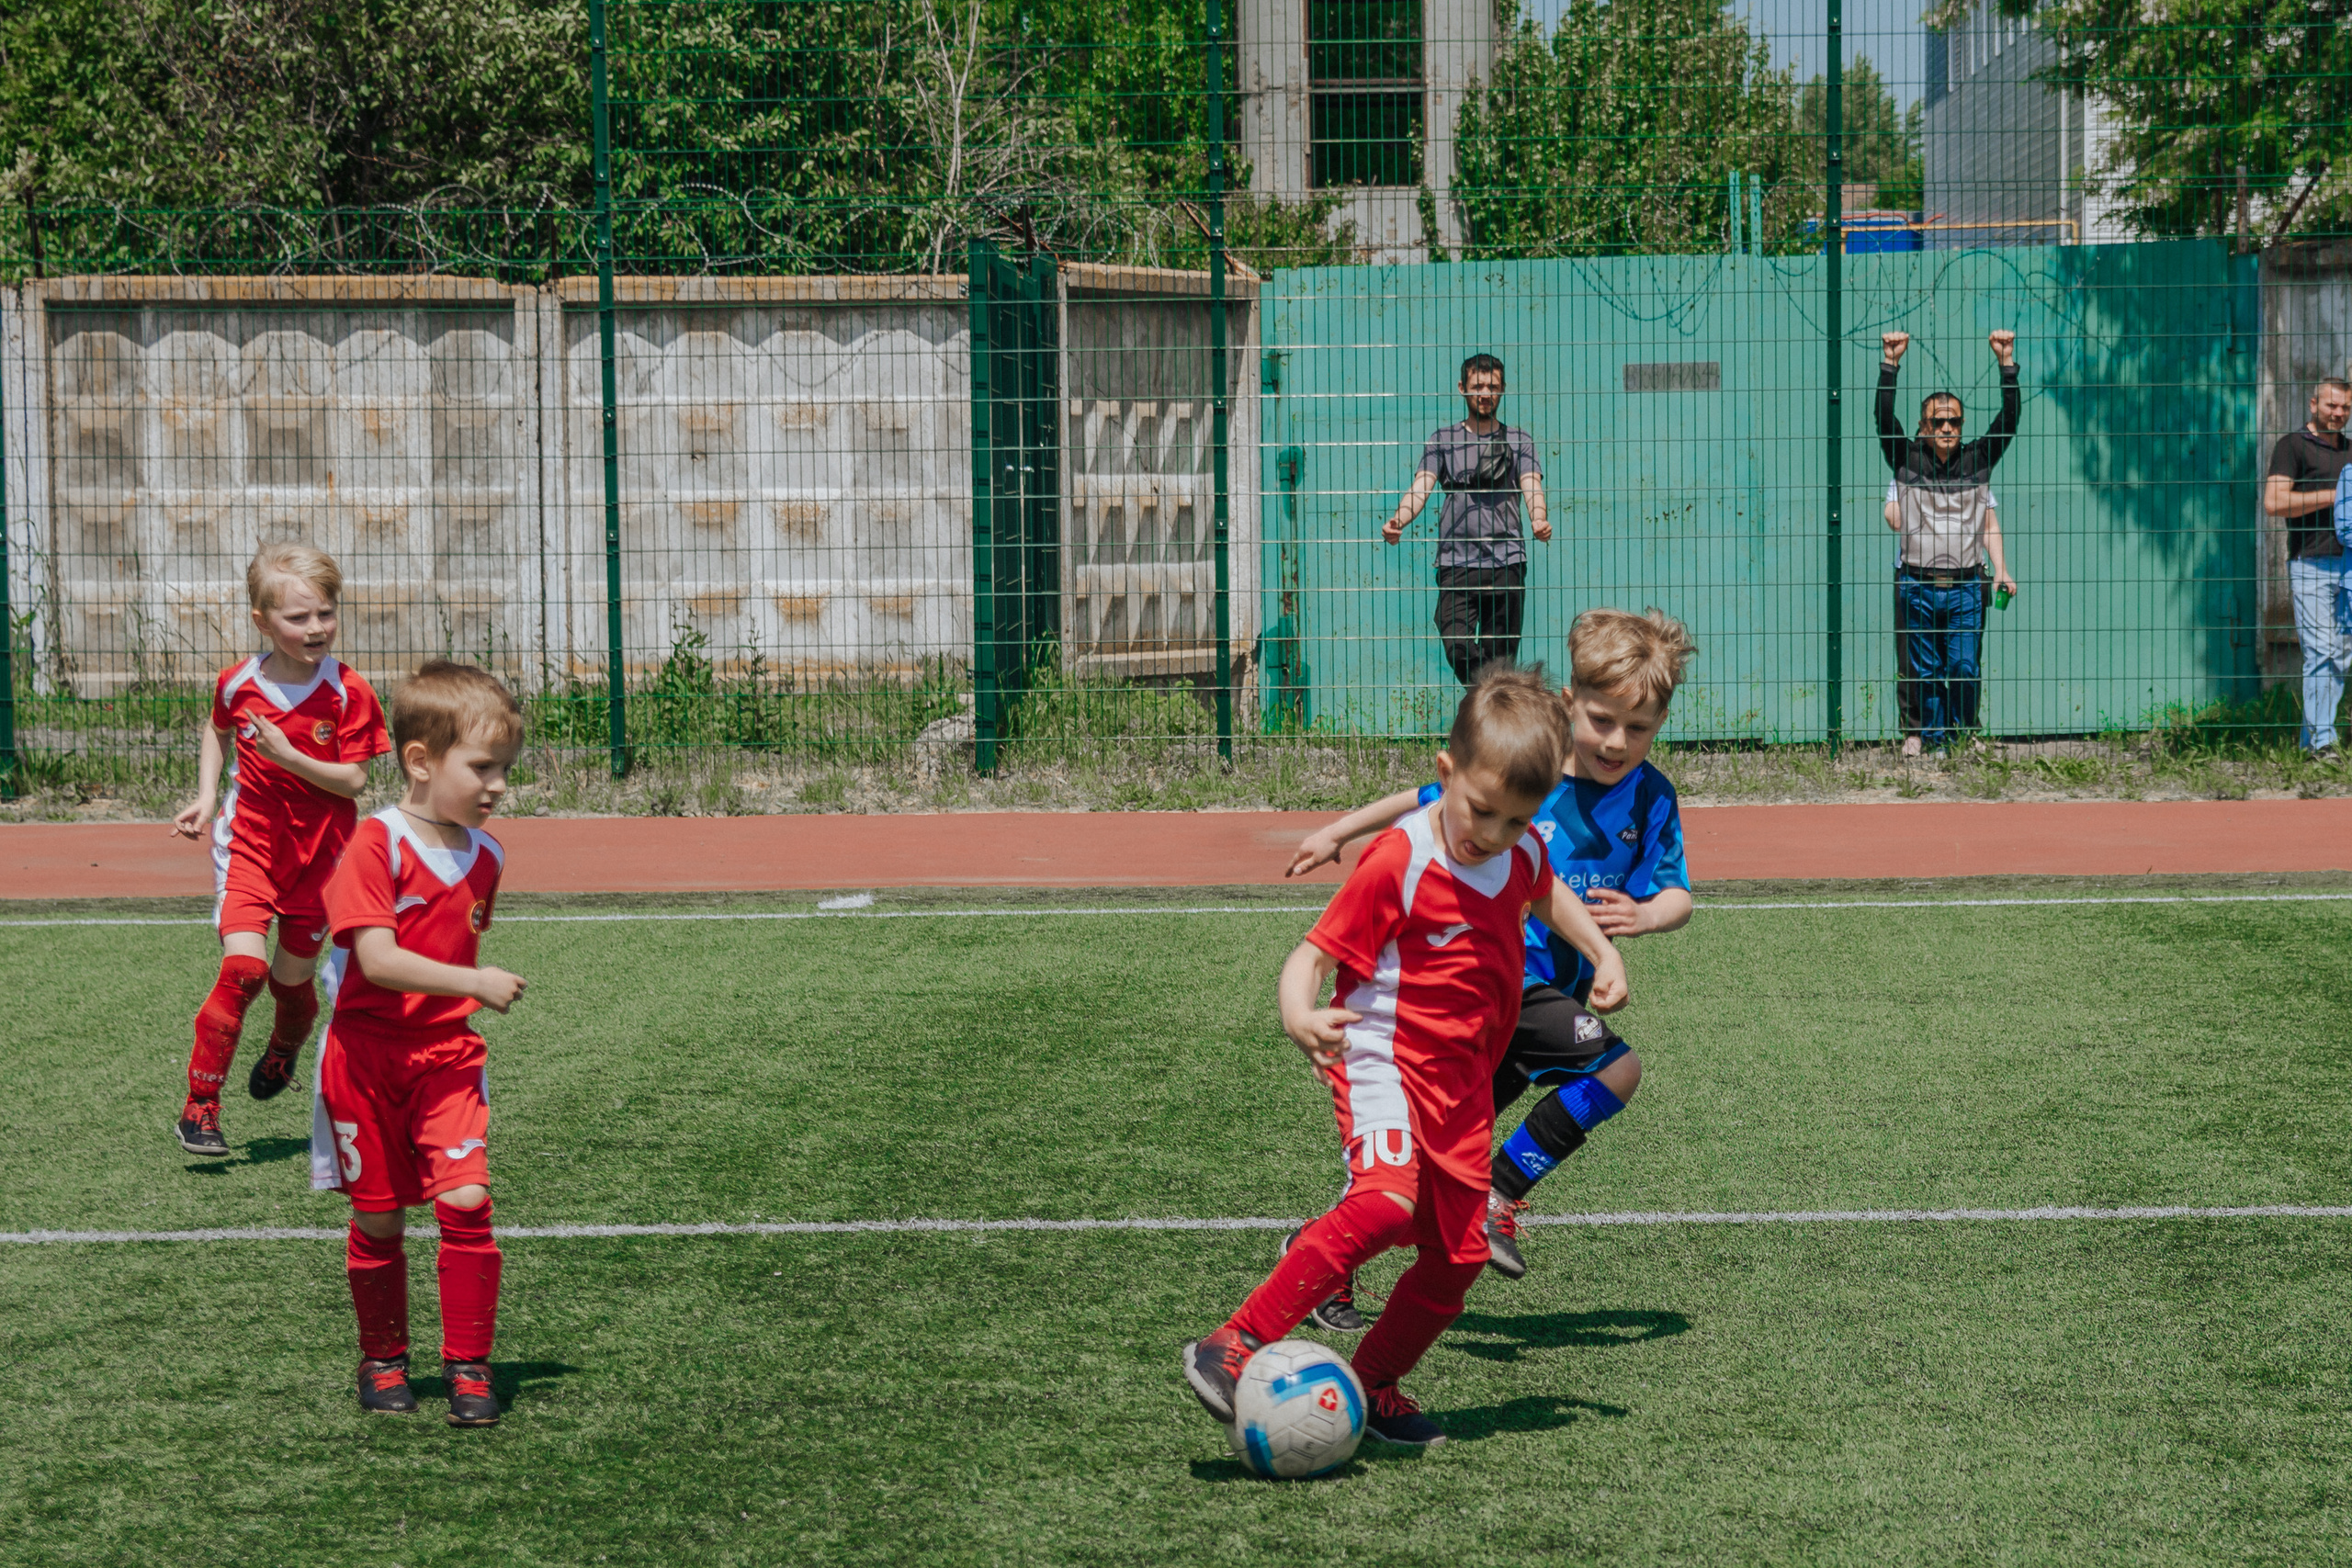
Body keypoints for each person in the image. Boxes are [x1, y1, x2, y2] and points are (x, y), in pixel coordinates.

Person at [1182, 667, 1629, 1449]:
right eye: (1481, 811)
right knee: (1387, 1200)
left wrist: (1598, 950)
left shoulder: (1518, 852)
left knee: (1457, 1257)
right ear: (1445, 774)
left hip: (1462, 1088)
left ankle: (1372, 1384)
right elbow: (1311, 956)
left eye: (1517, 820)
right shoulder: (1400, 857)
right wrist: (1297, 1012)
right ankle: (1232, 1342)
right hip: (1382, 1058)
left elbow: (1543, 890)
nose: (1490, 834)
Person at [1287, 608, 1694, 1305]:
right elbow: (1421, 799)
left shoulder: (1652, 797)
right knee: (1618, 1067)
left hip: (1534, 1003)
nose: (1617, 741)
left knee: (1424, 1166)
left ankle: (1324, 1251)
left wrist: (1646, 915)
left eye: (1639, 728)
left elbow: (1678, 891)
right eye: (1601, 719)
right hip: (1495, 983)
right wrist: (1338, 831)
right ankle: (1498, 1193)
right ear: (1570, 704)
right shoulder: (1527, 773)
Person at [311, 660, 527, 1426]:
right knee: (380, 1219)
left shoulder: (488, 856)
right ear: (420, 760)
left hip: (446, 1060)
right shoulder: (375, 844)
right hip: (364, 1062)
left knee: (467, 1199)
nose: (498, 784)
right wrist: (473, 983)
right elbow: (376, 960)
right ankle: (383, 1358)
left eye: (505, 768)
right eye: (482, 766)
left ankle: (469, 1365)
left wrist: (461, 996)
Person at [168, 544, 390, 1156]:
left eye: (324, 613)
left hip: (323, 860)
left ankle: (286, 1044)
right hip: (250, 848)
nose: (315, 628)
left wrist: (290, 756)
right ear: (263, 621)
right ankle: (200, 1108)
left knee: (293, 984)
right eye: (298, 618)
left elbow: (354, 780)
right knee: (244, 970)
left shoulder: (347, 691)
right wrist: (208, 794)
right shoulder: (238, 681)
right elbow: (216, 727)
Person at [1876, 329, 2021, 758]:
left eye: (1953, 421)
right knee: (1921, 669)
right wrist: (1891, 365)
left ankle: (1962, 736)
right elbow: (1883, 418)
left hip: (1965, 586)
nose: (1945, 427)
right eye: (1937, 421)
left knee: (1962, 665)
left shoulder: (1978, 459)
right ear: (1924, 425)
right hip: (1916, 583)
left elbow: (2009, 420)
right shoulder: (1906, 460)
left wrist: (2006, 364)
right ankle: (1926, 737)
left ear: (1961, 425)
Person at [1382, 353, 1551, 684]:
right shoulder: (1443, 440)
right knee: (1457, 645)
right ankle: (1491, 695)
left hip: (1506, 562)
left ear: (1502, 390)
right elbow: (1422, 486)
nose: (1485, 393)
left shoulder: (1519, 440)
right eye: (1478, 386)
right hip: (1456, 562)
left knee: (1499, 659)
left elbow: (1532, 486)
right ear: (1462, 388)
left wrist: (1539, 519)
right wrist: (1399, 520)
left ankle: (1492, 722)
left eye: (1493, 386)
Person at [2262, 377, 2352, 752]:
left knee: (2342, 655)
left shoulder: (2350, 450)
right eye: (2332, 406)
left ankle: (2312, 743)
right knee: (2322, 652)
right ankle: (2322, 744)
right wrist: (2336, 495)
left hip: (2348, 564)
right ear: (2314, 404)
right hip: (2311, 564)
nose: (2339, 413)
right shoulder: (2292, 446)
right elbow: (2275, 502)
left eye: (2346, 408)